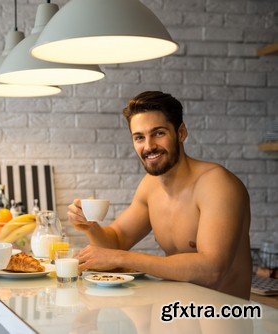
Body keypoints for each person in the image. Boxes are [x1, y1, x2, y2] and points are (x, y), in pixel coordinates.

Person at [68, 91, 252, 299]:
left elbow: (212, 270)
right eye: (139, 137)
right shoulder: (150, 186)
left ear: (181, 133)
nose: (149, 146)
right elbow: (117, 240)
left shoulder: (216, 184)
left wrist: (121, 258)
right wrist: (90, 226)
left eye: (158, 133)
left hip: (223, 321)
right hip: (175, 314)